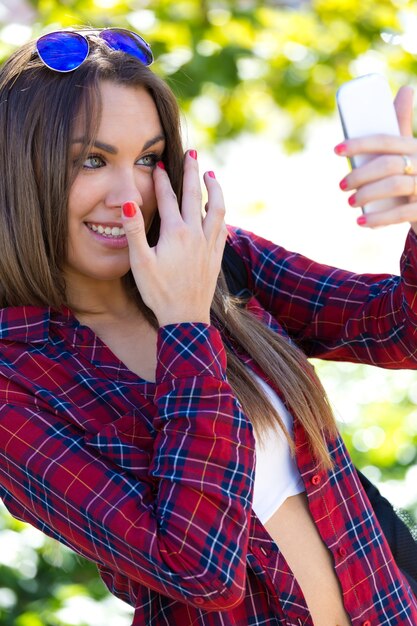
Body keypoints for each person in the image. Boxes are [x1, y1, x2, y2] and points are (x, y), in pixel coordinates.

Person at [0, 26, 416, 626]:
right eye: (92, 160)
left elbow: (399, 329)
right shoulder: (20, 380)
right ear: (21, 171)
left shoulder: (219, 260)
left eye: (147, 159)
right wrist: (186, 326)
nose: (130, 196)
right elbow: (201, 570)